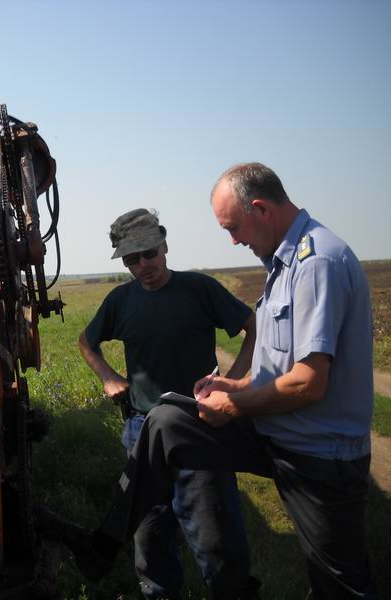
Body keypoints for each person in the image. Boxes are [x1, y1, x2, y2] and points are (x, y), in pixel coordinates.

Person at [88, 163, 378, 599]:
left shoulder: (315, 262)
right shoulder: (281, 264)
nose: (233, 240)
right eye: (132, 258)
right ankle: (107, 541)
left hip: (320, 452)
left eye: (234, 227)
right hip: (275, 432)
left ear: (260, 209)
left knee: (334, 582)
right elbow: (281, 368)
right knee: (164, 428)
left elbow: (309, 384)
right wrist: (234, 387)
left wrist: (235, 400)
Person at [74, 208, 259, 600]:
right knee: (150, 530)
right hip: (142, 429)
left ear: (164, 245)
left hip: (199, 427)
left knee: (216, 529)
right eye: (131, 259)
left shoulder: (198, 289)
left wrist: (234, 386)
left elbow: (252, 326)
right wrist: (109, 377)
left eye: (149, 254)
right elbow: (86, 342)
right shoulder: (120, 301)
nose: (143, 265)